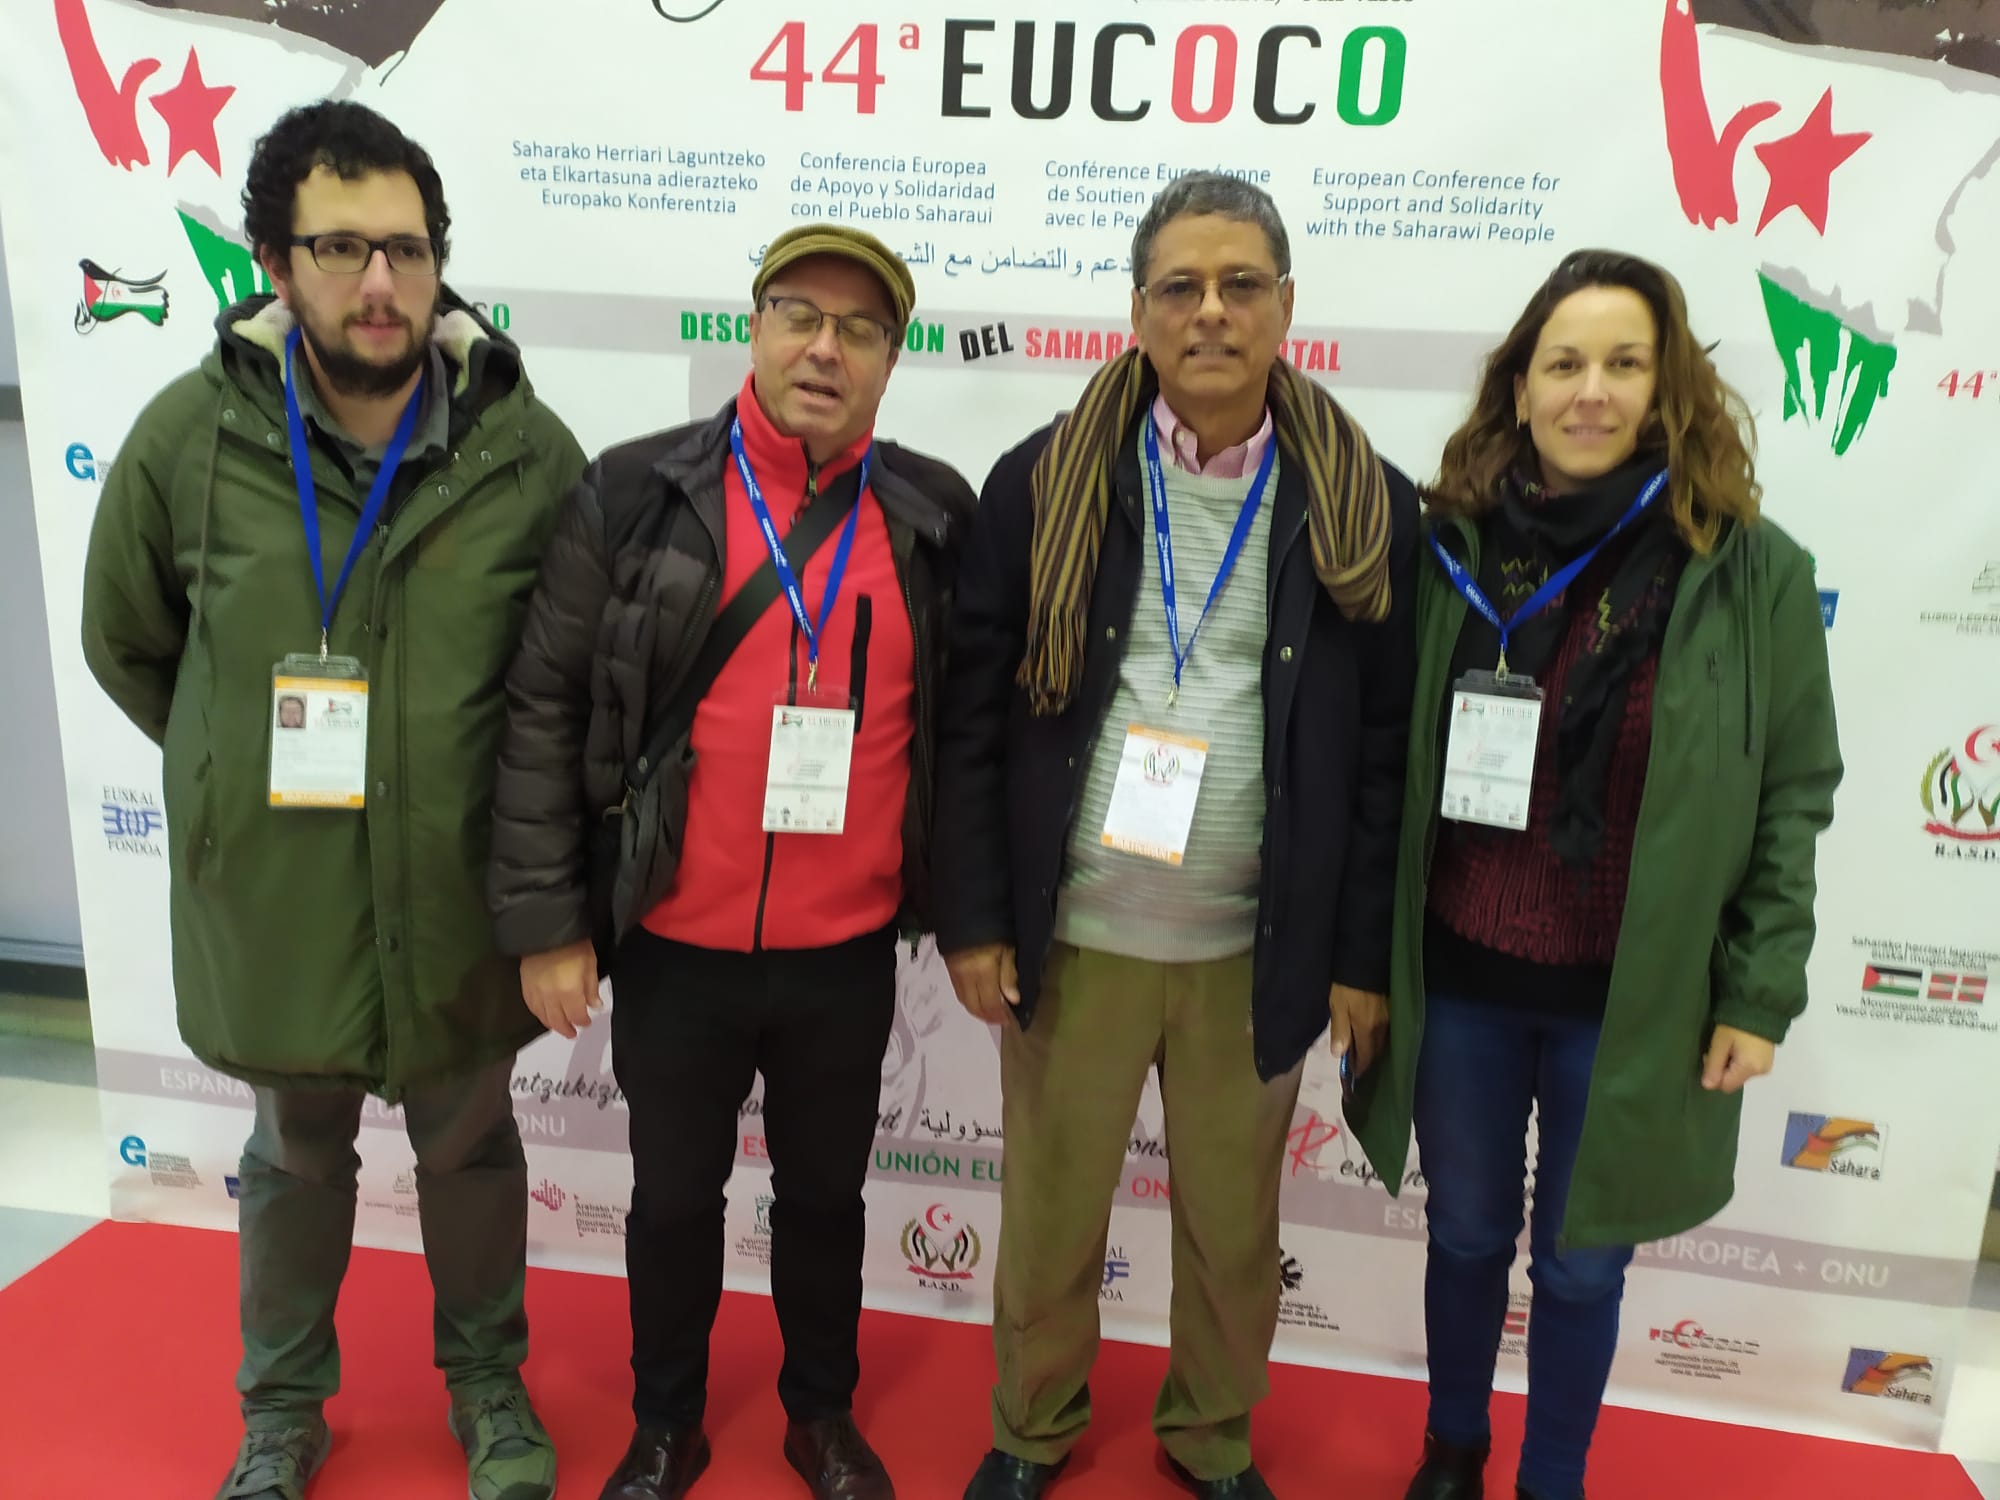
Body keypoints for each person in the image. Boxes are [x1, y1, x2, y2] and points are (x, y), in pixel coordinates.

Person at [79, 102, 585, 1500]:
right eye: (342, 247)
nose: (380, 283)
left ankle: (487, 1386)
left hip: (458, 887)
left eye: (407, 251)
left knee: (470, 1144)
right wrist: (229, 771)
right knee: (295, 1153)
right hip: (282, 890)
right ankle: (282, 1410)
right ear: (274, 262)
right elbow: (130, 641)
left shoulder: (522, 450)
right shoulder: (190, 440)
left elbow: (567, 679)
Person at [932, 173, 1420, 1500]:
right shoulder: (1043, 479)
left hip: (1252, 951)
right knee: (1049, 1220)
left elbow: (1383, 754)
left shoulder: (1363, 503)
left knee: (1232, 1231)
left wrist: (1359, 956)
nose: (1211, 311)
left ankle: (1209, 1438)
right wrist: (972, 918)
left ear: (1285, 308)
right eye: (1180, 287)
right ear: (1139, 312)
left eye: (1239, 284)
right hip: (1074, 939)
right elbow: (972, 717)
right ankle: (1031, 1428)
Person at [1345, 249, 1842, 1500]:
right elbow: (1379, 762)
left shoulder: (1750, 571)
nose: (1590, 391)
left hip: (1633, 999)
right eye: (1562, 364)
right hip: (1459, 974)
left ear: (1663, 387)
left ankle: (1551, 1478)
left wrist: (1756, 992)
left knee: (1580, 1266)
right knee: (1464, 1233)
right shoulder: (1443, 549)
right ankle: (1452, 1447)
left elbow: (1790, 793)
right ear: (1518, 390)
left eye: (1623, 364)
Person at [487, 225, 974, 1500]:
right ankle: (667, 1423)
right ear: (752, 329)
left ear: (889, 359)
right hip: (675, 944)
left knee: (824, 1201)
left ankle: (820, 1415)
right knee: (668, 1203)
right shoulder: (635, 491)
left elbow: (968, 733)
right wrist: (548, 921)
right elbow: (543, 708)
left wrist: (970, 911)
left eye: (858, 329)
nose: (824, 347)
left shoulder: (932, 515)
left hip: (843, 950)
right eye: (798, 314)